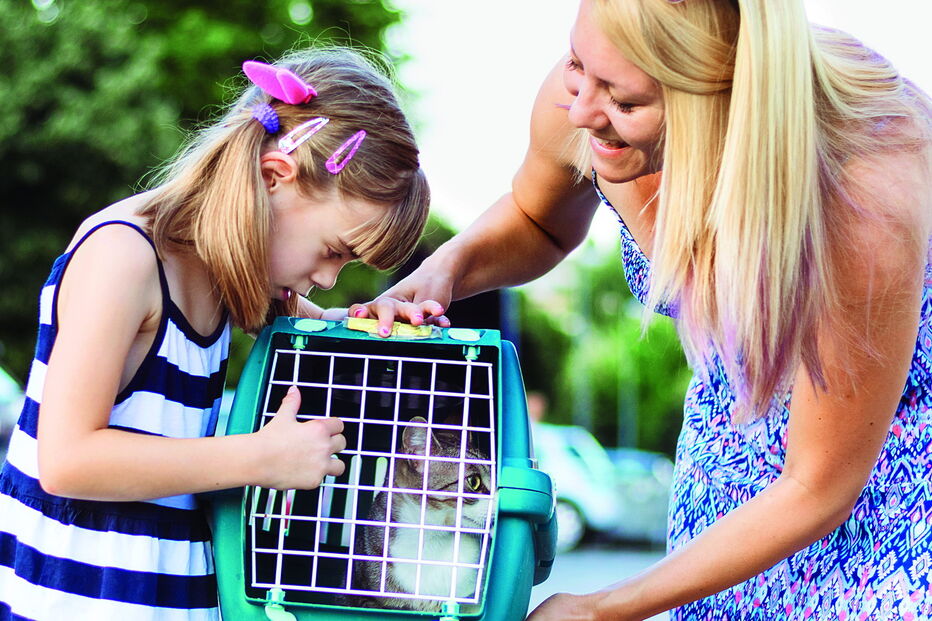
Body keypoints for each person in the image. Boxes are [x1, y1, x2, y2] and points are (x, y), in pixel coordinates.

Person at [351, 0, 932, 618]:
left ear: (717, 95)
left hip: (881, 488)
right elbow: (535, 220)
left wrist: (604, 608)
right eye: (578, 65)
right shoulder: (590, 94)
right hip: (728, 458)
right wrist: (442, 274)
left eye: (625, 104)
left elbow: (819, 484)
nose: (578, 111)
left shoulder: (862, 191)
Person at [0, 47, 431, 620]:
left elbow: (321, 330)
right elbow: (68, 459)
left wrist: (373, 323)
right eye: (335, 252)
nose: (328, 281)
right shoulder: (125, 255)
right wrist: (259, 458)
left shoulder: (231, 277)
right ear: (275, 177)